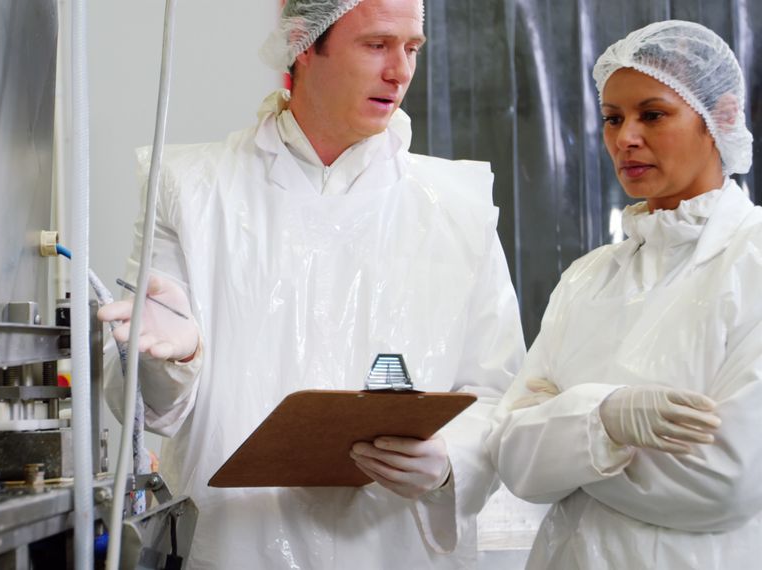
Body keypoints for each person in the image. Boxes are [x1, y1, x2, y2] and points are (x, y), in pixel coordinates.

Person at [99, 0, 524, 567]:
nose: (400, 70)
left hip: (397, 549)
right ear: (303, 43)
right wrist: (168, 359)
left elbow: (500, 390)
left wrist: (452, 460)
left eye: (412, 48)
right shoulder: (191, 190)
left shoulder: (456, 208)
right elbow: (146, 410)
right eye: (376, 44)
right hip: (237, 546)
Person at [487, 20, 762, 569]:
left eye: (652, 114)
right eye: (613, 119)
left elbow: (729, 479)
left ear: (722, 117)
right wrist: (605, 419)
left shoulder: (752, 261)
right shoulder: (589, 277)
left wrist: (567, 440)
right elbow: (514, 459)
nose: (624, 138)